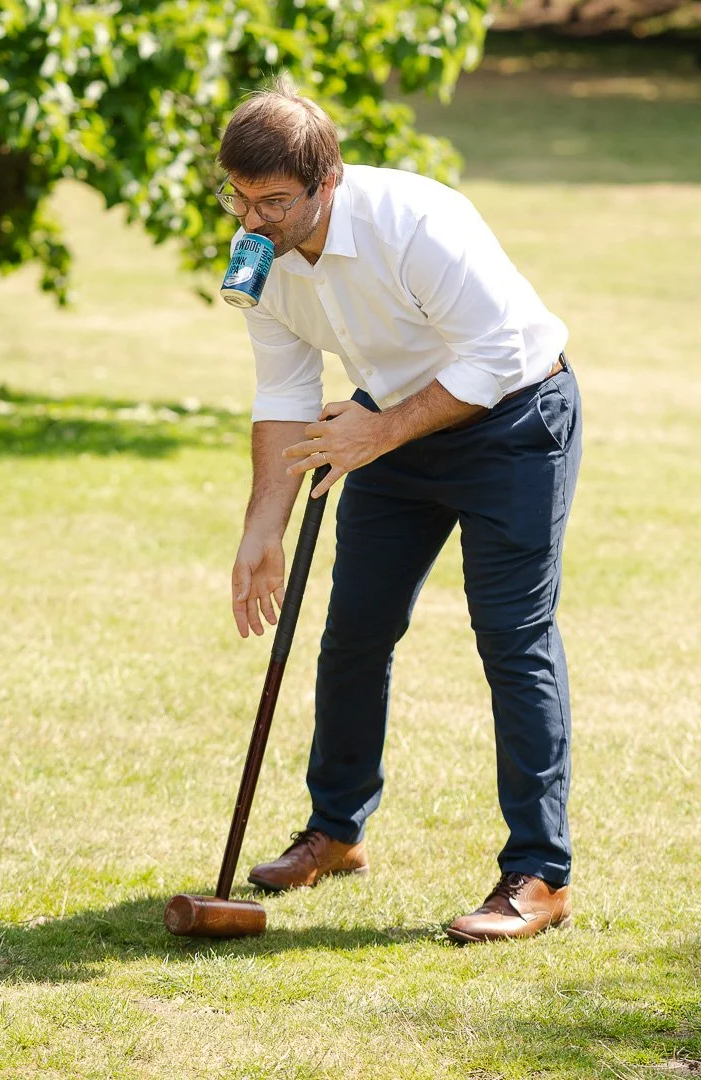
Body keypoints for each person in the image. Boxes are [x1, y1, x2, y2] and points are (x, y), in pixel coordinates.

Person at [216, 75, 582, 945]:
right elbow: (283, 393)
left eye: (273, 201)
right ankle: (336, 831)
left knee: (511, 637)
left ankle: (539, 873)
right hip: (385, 426)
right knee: (355, 631)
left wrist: (378, 434)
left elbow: (495, 358)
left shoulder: (417, 223)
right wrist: (260, 526)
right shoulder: (257, 258)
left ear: (326, 181)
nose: (251, 220)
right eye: (237, 196)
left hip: (516, 421)